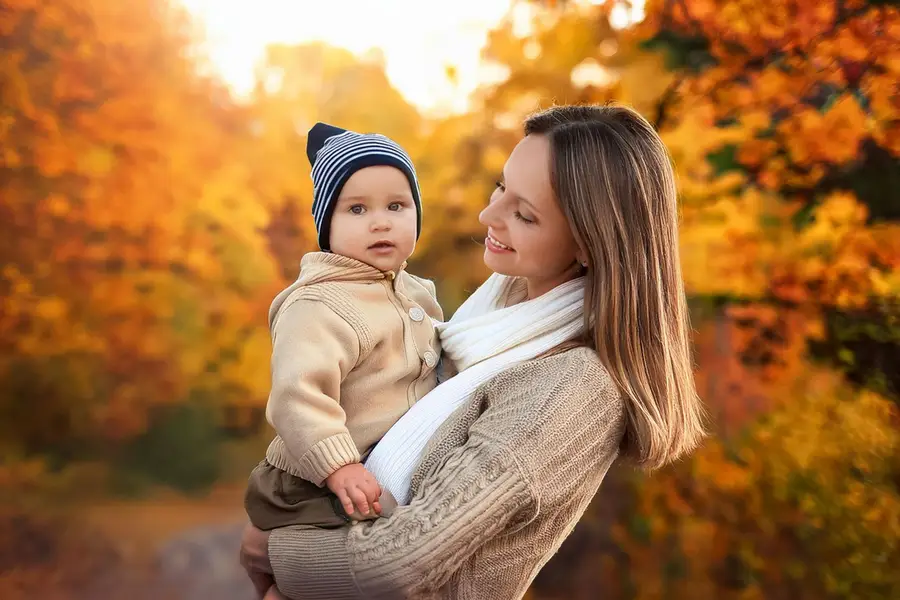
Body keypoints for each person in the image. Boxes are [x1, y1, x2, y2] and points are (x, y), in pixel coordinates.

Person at [240, 104, 707, 600]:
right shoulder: (499, 308)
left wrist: (271, 549)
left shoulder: (573, 390)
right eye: (501, 187)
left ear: (591, 245)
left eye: (524, 214)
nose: (488, 216)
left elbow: (399, 562)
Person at [243, 122, 443, 538]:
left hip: (374, 474)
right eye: (357, 209)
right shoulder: (318, 304)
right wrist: (339, 465)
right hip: (313, 482)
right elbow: (298, 395)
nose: (380, 223)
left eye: (396, 206)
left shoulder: (418, 294)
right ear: (326, 227)